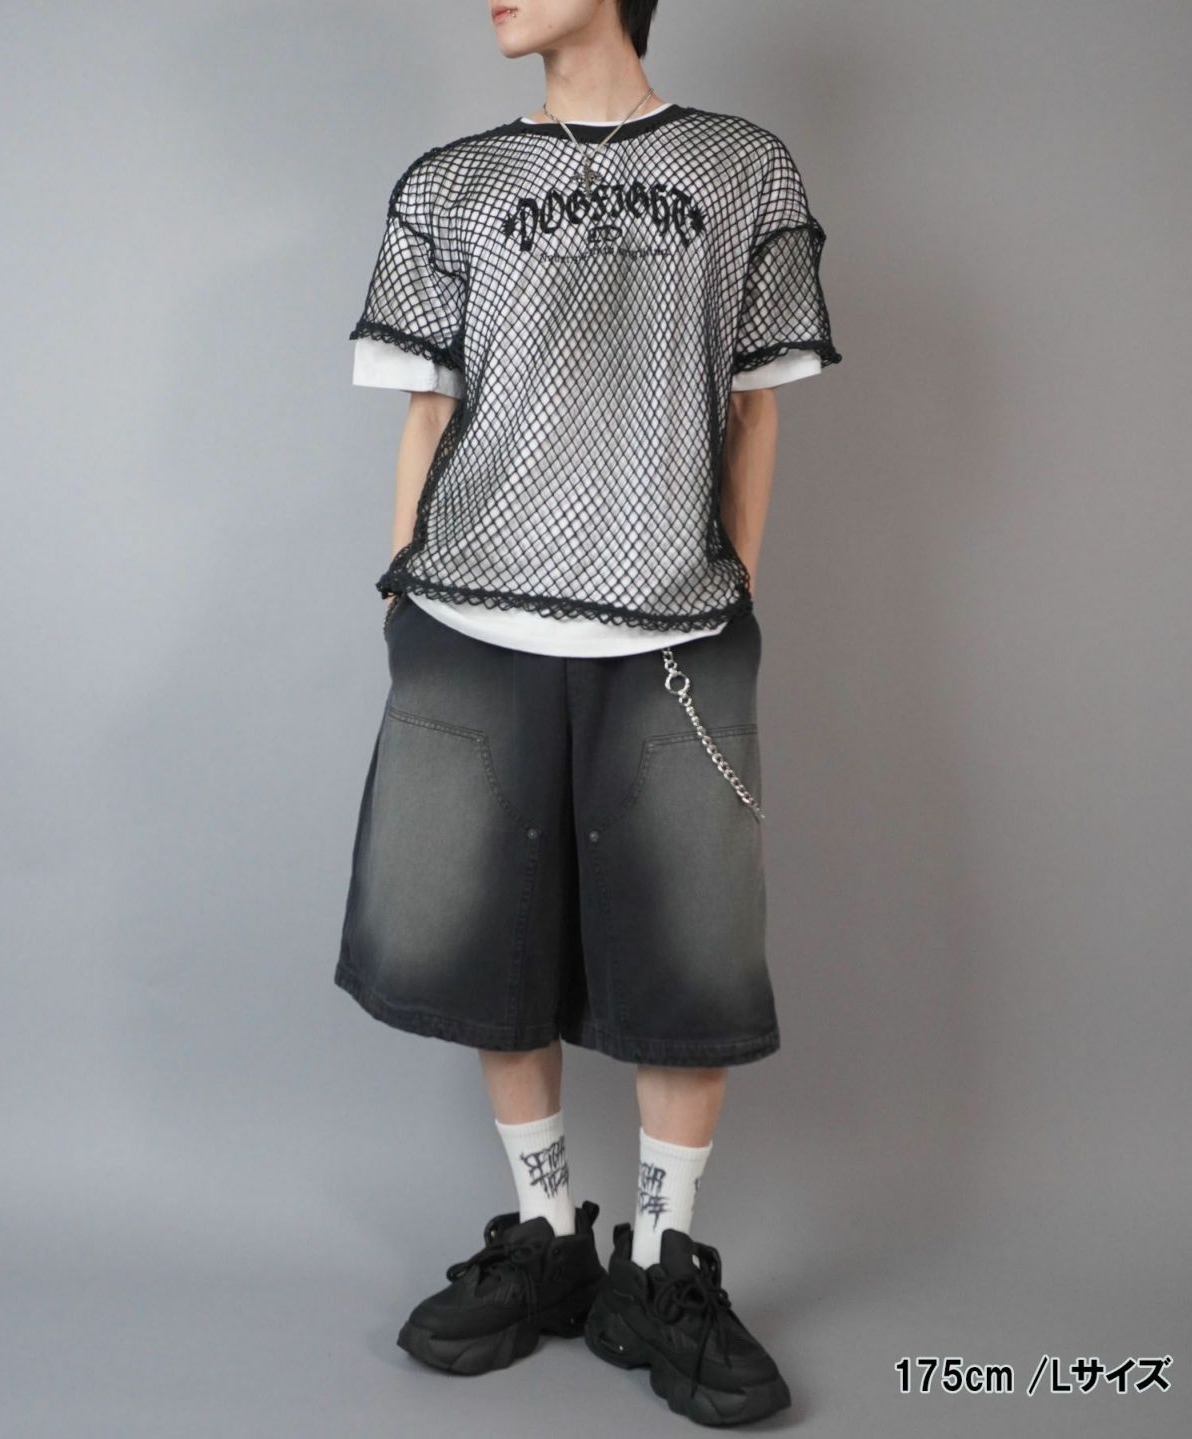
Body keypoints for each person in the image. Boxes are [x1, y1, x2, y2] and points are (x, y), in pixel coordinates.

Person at [334, 0, 841, 1424]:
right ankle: (551, 1236)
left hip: (676, 629)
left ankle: (661, 1269)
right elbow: (427, 411)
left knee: (690, 958)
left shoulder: (744, 169)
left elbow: (756, 405)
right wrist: (401, 596)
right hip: (469, 619)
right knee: (485, 940)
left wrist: (733, 583)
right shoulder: (451, 184)